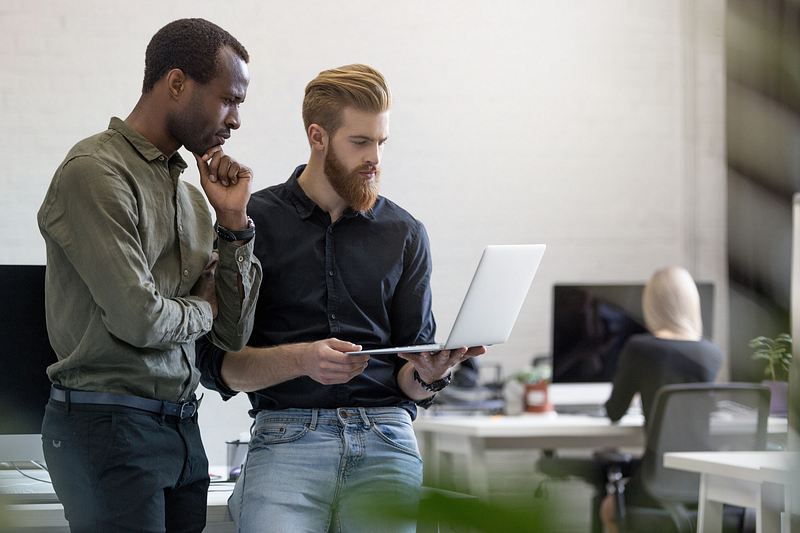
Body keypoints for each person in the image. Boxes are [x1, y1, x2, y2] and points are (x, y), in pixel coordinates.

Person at [196, 63, 485, 533]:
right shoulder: (252, 224)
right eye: (361, 142)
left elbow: (411, 378)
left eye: (381, 142)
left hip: (386, 433)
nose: (375, 157)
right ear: (318, 136)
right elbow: (216, 366)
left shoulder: (405, 233)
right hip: (288, 434)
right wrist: (302, 360)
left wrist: (431, 376)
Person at [36, 18, 262, 533]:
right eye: (228, 99)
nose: (236, 121)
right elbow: (139, 319)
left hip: (181, 427)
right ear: (177, 84)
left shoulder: (193, 199)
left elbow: (232, 335)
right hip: (107, 425)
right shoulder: (95, 171)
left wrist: (234, 226)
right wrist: (203, 307)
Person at [599, 266, 723, 533]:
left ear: (652, 305)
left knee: (609, 507)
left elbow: (613, 411)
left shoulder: (640, 348)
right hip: (705, 480)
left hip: (657, 479)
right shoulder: (712, 353)